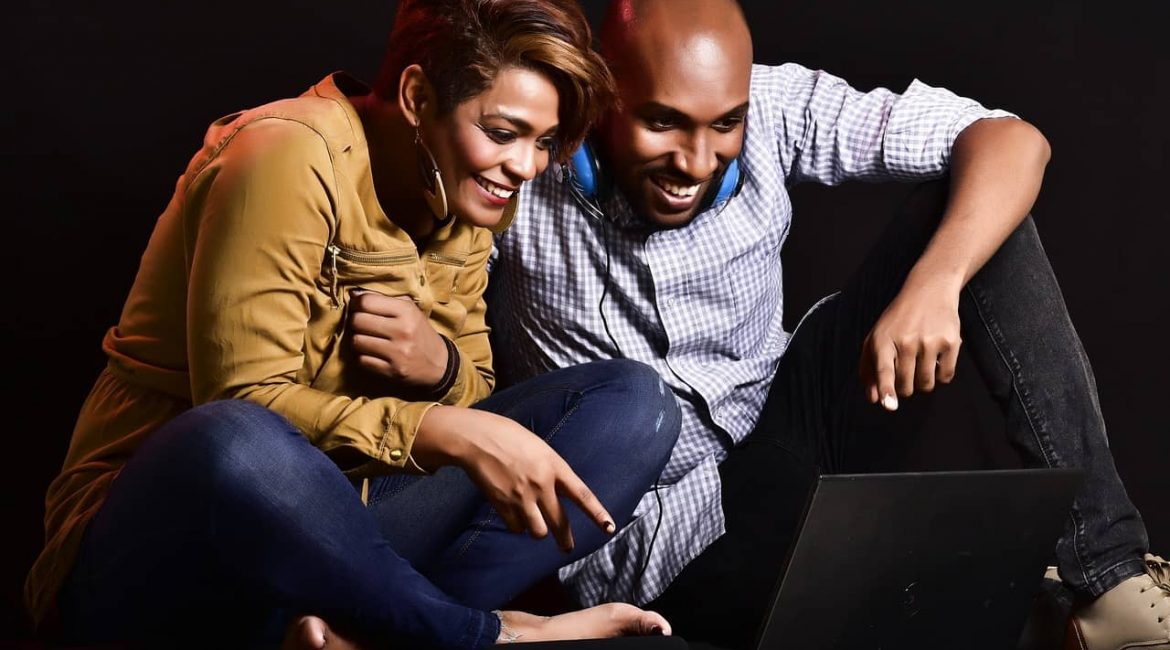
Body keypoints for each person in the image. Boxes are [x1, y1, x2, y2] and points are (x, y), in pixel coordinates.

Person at [469, 0, 1169, 647]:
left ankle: (1108, 582)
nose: (696, 161)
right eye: (662, 122)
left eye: (723, 125)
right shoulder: (525, 160)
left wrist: (936, 282)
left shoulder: (775, 107)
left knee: (973, 217)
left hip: (787, 436)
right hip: (660, 541)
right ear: (600, 96)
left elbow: (1014, 141)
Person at [24, 0, 684, 647]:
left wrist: (442, 368)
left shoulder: (468, 190)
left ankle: (364, 636)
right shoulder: (284, 154)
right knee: (236, 437)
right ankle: (473, 635)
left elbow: (476, 392)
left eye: (543, 142)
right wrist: (435, 427)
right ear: (419, 96)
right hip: (168, 552)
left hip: (348, 549)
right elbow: (242, 407)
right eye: (505, 132)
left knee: (633, 405)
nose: (526, 166)